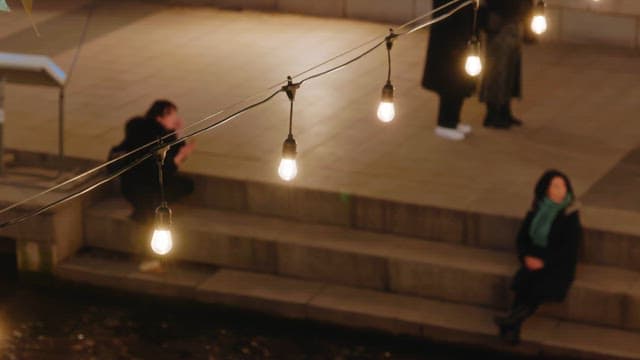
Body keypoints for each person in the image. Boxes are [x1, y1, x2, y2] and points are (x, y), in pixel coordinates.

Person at [495, 169, 582, 345]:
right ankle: (512, 326)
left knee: (538, 283)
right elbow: (522, 239)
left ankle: (512, 321)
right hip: (534, 257)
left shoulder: (570, 216)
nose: (561, 190)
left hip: (557, 264)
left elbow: (569, 249)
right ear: (546, 189)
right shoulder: (535, 212)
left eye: (563, 186)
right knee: (526, 281)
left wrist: (545, 262)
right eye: (556, 186)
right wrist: (526, 257)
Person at [109, 100, 195, 223]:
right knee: (182, 186)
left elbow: (173, 150)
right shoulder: (153, 136)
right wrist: (179, 158)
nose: (176, 120)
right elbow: (157, 171)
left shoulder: (159, 132)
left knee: (186, 184)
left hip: (133, 184)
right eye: (172, 115)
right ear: (160, 117)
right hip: (141, 186)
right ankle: (151, 209)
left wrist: (178, 134)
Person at [422, 0, 477, 141]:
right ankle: (444, 124)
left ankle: (454, 120)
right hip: (448, 43)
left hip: (461, 39)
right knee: (449, 83)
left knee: (461, 82)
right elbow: (445, 13)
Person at [479, 0, 533, 129]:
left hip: (513, 18)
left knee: (511, 68)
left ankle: (505, 110)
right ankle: (493, 113)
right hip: (499, 19)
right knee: (497, 69)